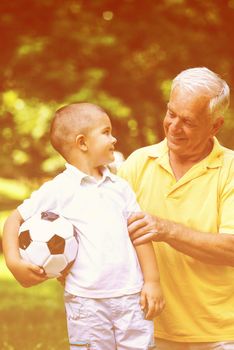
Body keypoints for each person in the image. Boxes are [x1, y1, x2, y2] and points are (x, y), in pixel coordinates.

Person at [3, 102, 165, 350]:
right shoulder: (59, 189)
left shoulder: (120, 188)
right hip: (86, 303)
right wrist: (14, 261)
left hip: (131, 299)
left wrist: (152, 281)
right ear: (82, 143)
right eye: (106, 132)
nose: (114, 138)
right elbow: (15, 219)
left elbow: (140, 234)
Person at [118, 67, 234, 350]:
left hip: (219, 334)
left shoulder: (230, 170)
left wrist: (166, 229)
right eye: (171, 113)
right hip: (147, 328)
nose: (173, 127)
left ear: (215, 126)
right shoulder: (137, 163)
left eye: (188, 122)